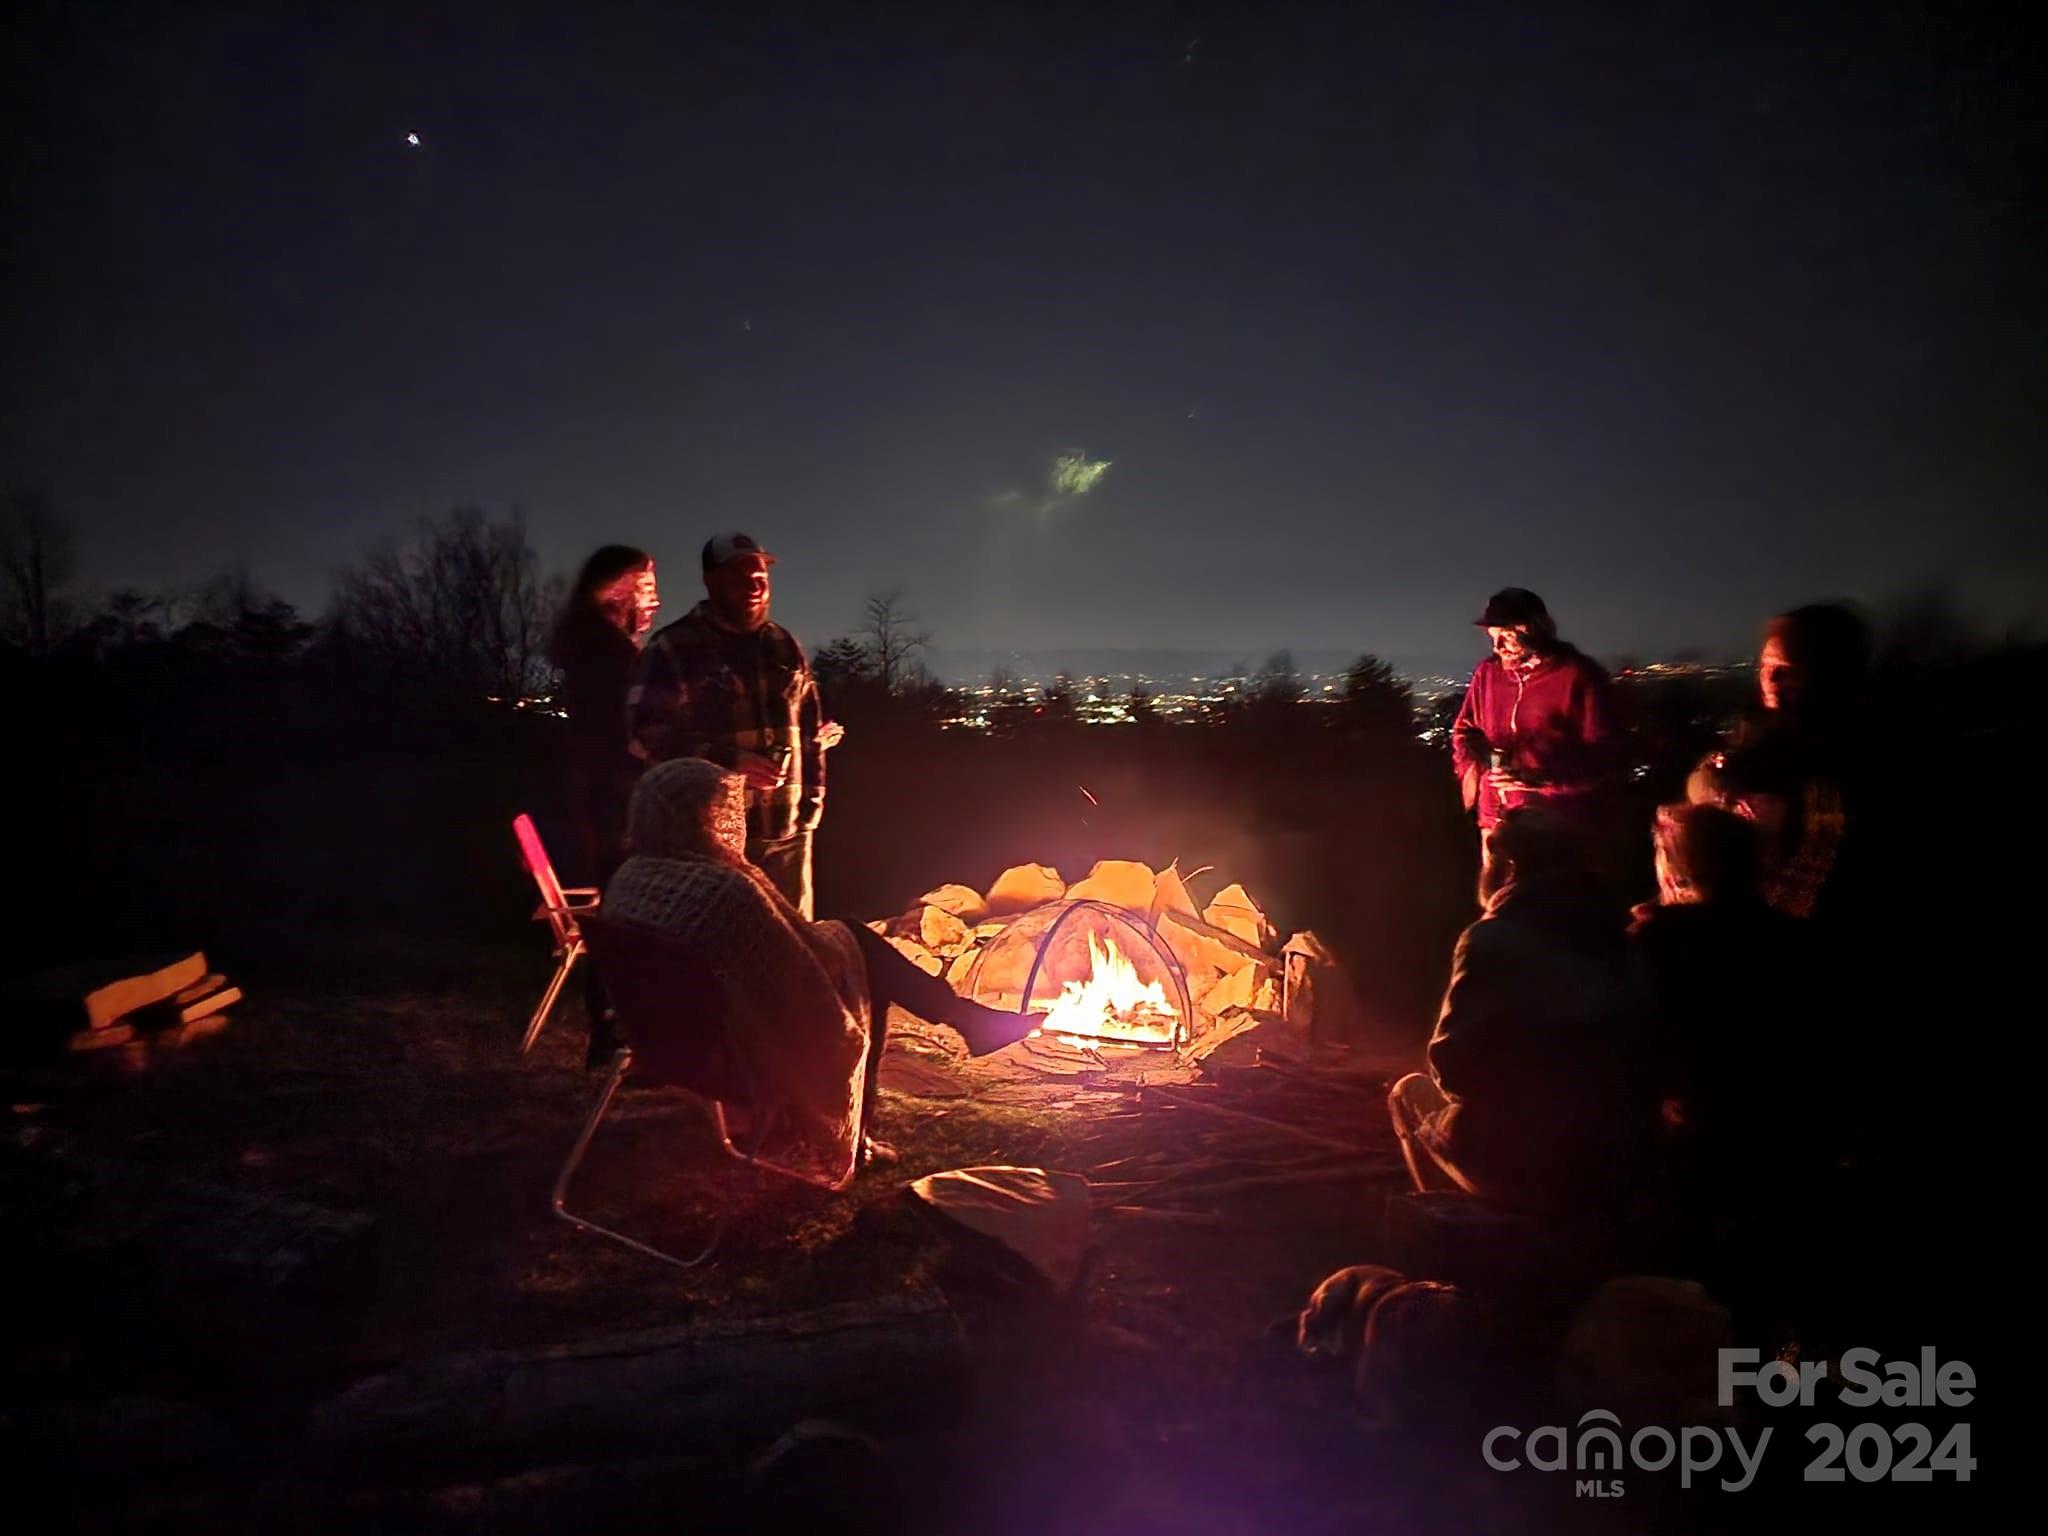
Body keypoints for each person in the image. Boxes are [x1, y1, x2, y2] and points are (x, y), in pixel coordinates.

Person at [602, 759, 1032, 1171]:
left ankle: (965, 1018)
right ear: (708, 818)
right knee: (864, 968)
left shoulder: (630, 876)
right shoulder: (723, 888)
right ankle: (942, 1042)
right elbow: (805, 965)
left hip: (662, 1040)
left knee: (853, 942)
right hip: (733, 1054)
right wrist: (845, 946)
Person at [1387, 809, 1651, 1219]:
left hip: (1530, 1159)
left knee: (1409, 1093)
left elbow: (1451, 1065)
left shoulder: (1492, 938)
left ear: (1508, 865)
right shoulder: (1621, 935)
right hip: (1617, 1158)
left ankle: (1468, 1226)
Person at [627, 532, 840, 918]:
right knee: (727, 943)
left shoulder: (784, 645)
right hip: (712, 842)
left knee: (795, 945)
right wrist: (728, 762)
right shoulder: (673, 648)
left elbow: (811, 730)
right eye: (740, 576)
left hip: (788, 836)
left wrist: (811, 806)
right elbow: (646, 733)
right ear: (711, 581)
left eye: (760, 576)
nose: (754, 585)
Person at [549, 545, 660, 1066]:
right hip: (617, 805)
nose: (654, 599)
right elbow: (628, 733)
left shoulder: (595, 648)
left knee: (621, 909)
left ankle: (614, 1028)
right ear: (616, 588)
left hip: (604, 801)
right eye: (646, 585)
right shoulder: (609, 656)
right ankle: (615, 1031)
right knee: (624, 913)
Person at [1688, 603, 1869, 923]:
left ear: (1825, 675)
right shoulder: (1756, 734)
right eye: (1766, 665)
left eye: (1787, 669)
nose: (1770, 678)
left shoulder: (1835, 764)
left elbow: (1803, 892)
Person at [1451, 588, 1621, 903]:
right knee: (1500, 903)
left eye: (1506, 636)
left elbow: (1607, 756)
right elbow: (1465, 729)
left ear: (1534, 628)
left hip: (1556, 828)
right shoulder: (1488, 674)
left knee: (1553, 909)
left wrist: (1541, 777)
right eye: (1493, 637)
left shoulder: (1577, 677)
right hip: (1496, 822)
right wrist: (1481, 765)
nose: (1498, 646)